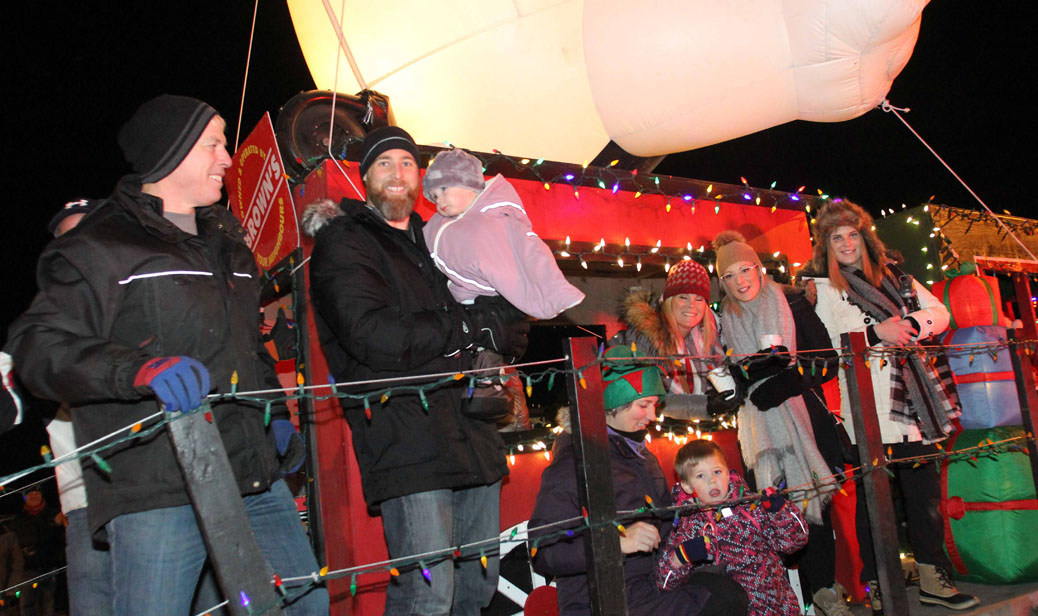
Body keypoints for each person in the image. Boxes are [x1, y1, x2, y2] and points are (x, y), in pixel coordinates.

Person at [6, 94, 326, 615]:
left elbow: (250, 349)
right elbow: (38, 344)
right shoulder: (101, 243)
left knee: (305, 608)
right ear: (170, 151)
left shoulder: (228, 245)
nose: (227, 158)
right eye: (214, 145)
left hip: (252, 476)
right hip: (159, 481)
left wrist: (275, 415)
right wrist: (137, 369)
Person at [305, 126, 529, 615]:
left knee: (478, 589)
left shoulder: (441, 239)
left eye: (406, 162)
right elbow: (374, 337)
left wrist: (502, 324)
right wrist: (468, 327)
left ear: (420, 176)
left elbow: (506, 315)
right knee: (428, 596)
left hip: (474, 430)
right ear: (364, 178)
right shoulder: (344, 243)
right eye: (384, 163)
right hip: (405, 437)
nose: (397, 173)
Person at [803, 198, 978, 613]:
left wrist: (912, 326)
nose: (846, 243)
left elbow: (940, 311)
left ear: (864, 238)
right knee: (872, 499)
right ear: (825, 245)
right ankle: (878, 581)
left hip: (911, 404)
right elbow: (827, 338)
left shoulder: (896, 276)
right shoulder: (822, 288)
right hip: (867, 404)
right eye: (836, 237)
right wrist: (876, 329)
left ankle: (934, 577)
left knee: (922, 493)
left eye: (851, 234)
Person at [528, 346, 748, 616]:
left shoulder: (641, 456)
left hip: (652, 585)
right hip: (604, 600)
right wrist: (616, 543)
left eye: (654, 405)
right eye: (643, 405)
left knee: (733, 586)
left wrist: (706, 516)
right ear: (612, 407)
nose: (653, 416)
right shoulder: (575, 463)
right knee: (722, 601)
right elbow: (543, 551)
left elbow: (665, 526)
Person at [712, 230, 849, 615]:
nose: (740, 281)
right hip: (758, 432)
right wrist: (735, 386)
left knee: (814, 511)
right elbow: (731, 375)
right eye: (730, 276)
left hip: (804, 419)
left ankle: (824, 592)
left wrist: (788, 382)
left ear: (759, 268)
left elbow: (827, 360)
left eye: (745, 270)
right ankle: (795, 598)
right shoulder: (724, 319)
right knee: (776, 513)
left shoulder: (791, 302)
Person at [422, 147, 585, 418]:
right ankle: (482, 388)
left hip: (489, 300)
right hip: (460, 304)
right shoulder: (441, 224)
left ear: (469, 185)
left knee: (487, 348)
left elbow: (528, 252)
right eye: (434, 195)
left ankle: (490, 391)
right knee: (474, 350)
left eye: (445, 189)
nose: (439, 201)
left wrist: (550, 292)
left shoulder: (492, 221)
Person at [656, 439, 808, 615]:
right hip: (734, 608)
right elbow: (664, 584)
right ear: (687, 486)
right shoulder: (687, 525)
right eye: (700, 476)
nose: (712, 481)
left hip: (778, 605)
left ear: (728, 474)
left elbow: (794, 543)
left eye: (717, 472)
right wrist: (680, 557)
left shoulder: (752, 507)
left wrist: (781, 512)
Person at [610, 259, 743, 419]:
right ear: (669, 301)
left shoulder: (705, 337)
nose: (692, 306)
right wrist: (706, 405)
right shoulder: (645, 336)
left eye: (699, 299)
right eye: (683, 297)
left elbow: (718, 379)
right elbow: (653, 399)